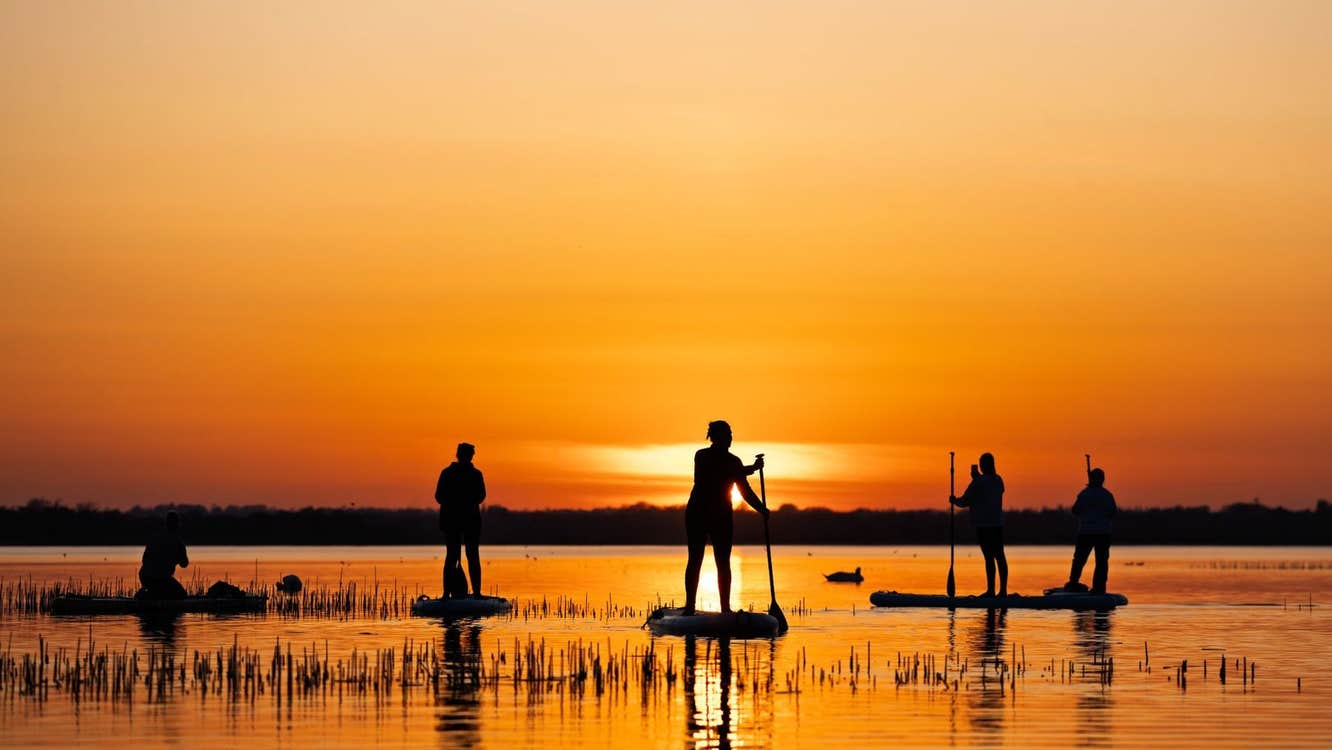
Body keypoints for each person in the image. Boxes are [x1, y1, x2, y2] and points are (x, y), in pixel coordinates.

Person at [684, 420, 768, 614]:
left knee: (723, 562)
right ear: (715, 437)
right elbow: (719, 473)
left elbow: (744, 490)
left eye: (731, 434)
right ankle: (689, 607)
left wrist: (762, 509)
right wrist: (751, 468)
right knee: (695, 559)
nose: (731, 437)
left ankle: (725, 609)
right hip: (698, 514)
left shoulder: (734, 462)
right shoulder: (702, 456)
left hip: (721, 517)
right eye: (727, 434)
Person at [950, 452, 1008, 597]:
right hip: (997, 525)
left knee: (989, 557)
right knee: (1000, 556)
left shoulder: (978, 482)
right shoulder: (998, 480)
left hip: (984, 525)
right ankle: (1002, 591)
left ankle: (991, 591)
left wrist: (954, 500)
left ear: (982, 466)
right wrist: (978, 479)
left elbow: (965, 500)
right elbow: (992, 490)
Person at [435, 442, 486, 598]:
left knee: (468, 556)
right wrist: (459, 501)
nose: (468, 458)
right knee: (454, 556)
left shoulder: (473, 474)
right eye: (467, 455)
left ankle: (474, 593)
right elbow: (439, 496)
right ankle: (448, 593)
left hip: (467, 522)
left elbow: (481, 496)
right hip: (454, 522)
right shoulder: (450, 473)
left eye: (469, 455)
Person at [1065, 467, 1117, 593]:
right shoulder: (1107, 495)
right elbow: (1113, 513)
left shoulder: (1084, 494)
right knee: (1101, 562)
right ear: (1103, 480)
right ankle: (1099, 588)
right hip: (1103, 533)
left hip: (1086, 532)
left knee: (1079, 560)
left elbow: (1075, 511)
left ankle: (1073, 583)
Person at [138, 511, 189, 599]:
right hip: (162, 579)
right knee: (182, 595)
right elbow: (184, 564)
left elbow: (144, 559)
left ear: (165, 524)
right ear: (177, 525)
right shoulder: (178, 542)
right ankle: (147, 595)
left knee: (161, 593)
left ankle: (146, 594)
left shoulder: (155, 537)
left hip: (145, 577)